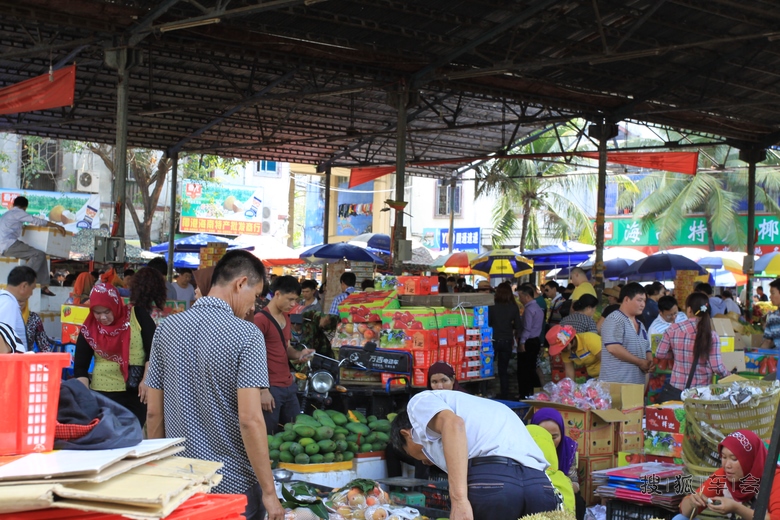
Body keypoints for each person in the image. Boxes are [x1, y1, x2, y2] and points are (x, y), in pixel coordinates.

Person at [145, 250, 285, 520]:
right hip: (233, 487)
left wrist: (160, 470)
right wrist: (269, 491)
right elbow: (250, 419)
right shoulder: (247, 335)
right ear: (240, 283)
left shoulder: (166, 328)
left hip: (182, 483)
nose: (253, 307)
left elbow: (153, 412)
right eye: (255, 296)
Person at [390, 391, 556, 520]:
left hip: (494, 484)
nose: (424, 462)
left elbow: (454, 424)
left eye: (416, 455)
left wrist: (459, 500)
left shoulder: (419, 402)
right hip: (540, 488)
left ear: (406, 434)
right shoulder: (487, 410)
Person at [74, 283, 156, 425]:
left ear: (115, 304)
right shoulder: (89, 329)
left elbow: (153, 350)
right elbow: (80, 366)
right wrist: (85, 398)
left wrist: (147, 380)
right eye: (97, 313)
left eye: (107, 311)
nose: (103, 317)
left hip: (136, 392)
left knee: (133, 434)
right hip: (102, 395)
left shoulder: (137, 316)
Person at [253, 276, 314, 434]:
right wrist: (262, 390)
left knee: (295, 432)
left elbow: (286, 348)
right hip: (270, 388)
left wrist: (300, 354)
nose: (293, 304)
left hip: (288, 385)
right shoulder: (260, 320)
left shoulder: (286, 317)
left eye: (296, 300)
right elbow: (251, 357)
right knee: (270, 436)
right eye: (290, 299)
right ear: (278, 294)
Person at [675, 430, 767, 520]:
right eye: (724, 457)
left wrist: (737, 508)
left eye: (734, 459)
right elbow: (684, 511)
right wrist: (692, 502)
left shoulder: (772, 478)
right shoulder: (724, 475)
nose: (727, 465)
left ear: (750, 460)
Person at [655, 293, 730, 396]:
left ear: (689, 310)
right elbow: (717, 366)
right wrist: (729, 376)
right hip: (700, 393)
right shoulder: (711, 335)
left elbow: (660, 353)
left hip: (677, 389)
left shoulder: (673, 329)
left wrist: (677, 353)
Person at [0, 196, 65, 296]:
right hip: (9, 244)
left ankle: (43, 286)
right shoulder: (18, 213)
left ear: (14, 204)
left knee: (41, 255)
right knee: (38, 255)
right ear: (25, 207)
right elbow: (37, 221)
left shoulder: (7, 214)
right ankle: (23, 279)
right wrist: (56, 225)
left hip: (4, 246)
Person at [599, 282, 653, 385]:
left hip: (635, 386)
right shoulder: (614, 319)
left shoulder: (640, 324)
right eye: (639, 300)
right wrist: (640, 362)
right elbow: (613, 347)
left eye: (644, 301)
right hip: (616, 385)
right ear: (627, 299)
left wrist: (650, 363)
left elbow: (647, 348)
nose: (643, 304)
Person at [531, 408, 580, 497]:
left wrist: (560, 485)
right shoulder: (525, 450)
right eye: (544, 437)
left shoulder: (568, 449)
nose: (549, 442)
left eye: (554, 437)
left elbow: (575, 484)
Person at [489, 284, 522, 399]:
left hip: (493, 339)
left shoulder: (492, 306)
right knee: (503, 369)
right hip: (507, 340)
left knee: (488, 367)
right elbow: (518, 325)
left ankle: (487, 391)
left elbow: (488, 323)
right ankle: (504, 394)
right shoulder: (513, 307)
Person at [0, 266, 37, 351]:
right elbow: (2, 339)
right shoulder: (9, 303)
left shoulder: (4, 299)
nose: (31, 293)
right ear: (24, 286)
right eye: (32, 288)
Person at [518, 285, 544, 399]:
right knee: (532, 368)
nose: (519, 299)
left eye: (520, 296)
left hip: (529, 341)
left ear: (527, 296)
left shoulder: (529, 309)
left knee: (524, 370)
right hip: (536, 341)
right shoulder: (538, 308)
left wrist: (522, 342)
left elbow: (527, 328)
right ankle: (535, 392)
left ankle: (524, 394)